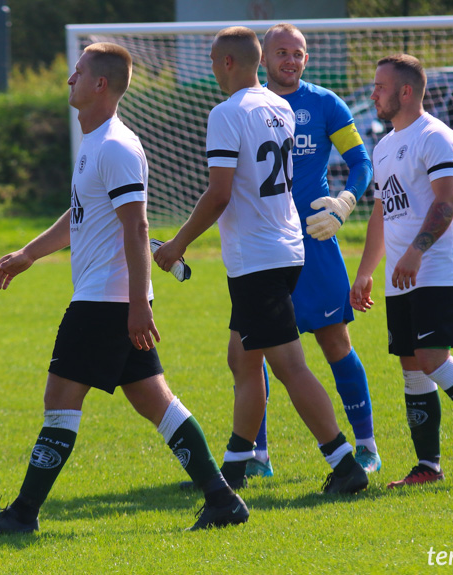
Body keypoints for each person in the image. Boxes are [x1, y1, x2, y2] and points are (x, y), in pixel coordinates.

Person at [0, 42, 248, 534]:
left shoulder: (114, 146)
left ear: (100, 84)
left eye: (77, 73)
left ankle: (23, 514)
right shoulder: (94, 142)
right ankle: (222, 499)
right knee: (154, 400)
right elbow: (80, 218)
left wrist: (138, 306)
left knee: (60, 399)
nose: (69, 80)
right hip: (112, 300)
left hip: (105, 302)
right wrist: (29, 253)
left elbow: (137, 227)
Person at [154, 26, 368, 495]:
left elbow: (219, 193)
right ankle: (235, 468)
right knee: (243, 360)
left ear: (228, 62)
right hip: (286, 247)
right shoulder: (280, 108)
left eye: (213, 61)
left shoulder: (226, 113)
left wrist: (177, 244)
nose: (212, 69)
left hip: (258, 257)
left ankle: (344, 461)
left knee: (289, 366)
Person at [350, 54, 453, 488]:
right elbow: (380, 215)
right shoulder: (384, 145)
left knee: (431, 358)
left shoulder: (435, 136)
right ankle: (428, 466)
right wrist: (367, 271)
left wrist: (416, 252)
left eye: (380, 87)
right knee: (411, 365)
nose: (373, 95)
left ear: (406, 92)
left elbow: (446, 202)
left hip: (437, 269)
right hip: (400, 276)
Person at [243, 23, 380, 479]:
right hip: (263, 247)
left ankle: (365, 446)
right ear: (263, 58)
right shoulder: (246, 106)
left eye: (297, 53)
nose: (290, 60)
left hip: (316, 244)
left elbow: (361, 161)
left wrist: (345, 202)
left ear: (306, 59)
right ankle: (256, 455)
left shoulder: (324, 104)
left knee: (335, 341)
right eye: (281, 52)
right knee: (256, 349)